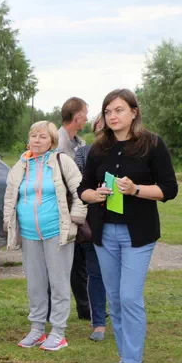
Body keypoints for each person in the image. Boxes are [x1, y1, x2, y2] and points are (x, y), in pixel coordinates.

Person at [78, 89, 178, 363]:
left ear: (134, 112)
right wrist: (96, 195)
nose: (113, 116)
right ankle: (124, 358)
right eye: (108, 111)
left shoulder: (152, 144)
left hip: (138, 234)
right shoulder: (98, 148)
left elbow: (169, 189)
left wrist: (135, 190)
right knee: (116, 297)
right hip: (104, 233)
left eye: (119, 110)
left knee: (131, 297)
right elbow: (83, 190)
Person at [4, 122, 86, 351]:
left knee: (58, 283)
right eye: (33, 136)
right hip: (29, 234)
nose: (37, 140)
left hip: (57, 232)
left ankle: (58, 332)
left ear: (52, 141)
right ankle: (37, 329)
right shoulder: (21, 165)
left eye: (42, 136)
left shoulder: (62, 161)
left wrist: (76, 218)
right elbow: (10, 196)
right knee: (35, 284)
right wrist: (9, 223)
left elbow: (80, 191)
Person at [74, 117, 109, 342]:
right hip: (92, 222)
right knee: (95, 273)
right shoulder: (84, 153)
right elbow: (79, 186)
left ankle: (122, 317)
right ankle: (98, 323)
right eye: (100, 127)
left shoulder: (130, 152)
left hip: (122, 222)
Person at [57, 97, 92, 322]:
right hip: (60, 210)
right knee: (61, 263)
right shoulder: (57, 142)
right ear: (77, 116)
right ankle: (53, 311)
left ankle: (85, 307)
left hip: (78, 207)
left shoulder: (79, 143)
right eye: (85, 113)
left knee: (81, 260)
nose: (87, 117)